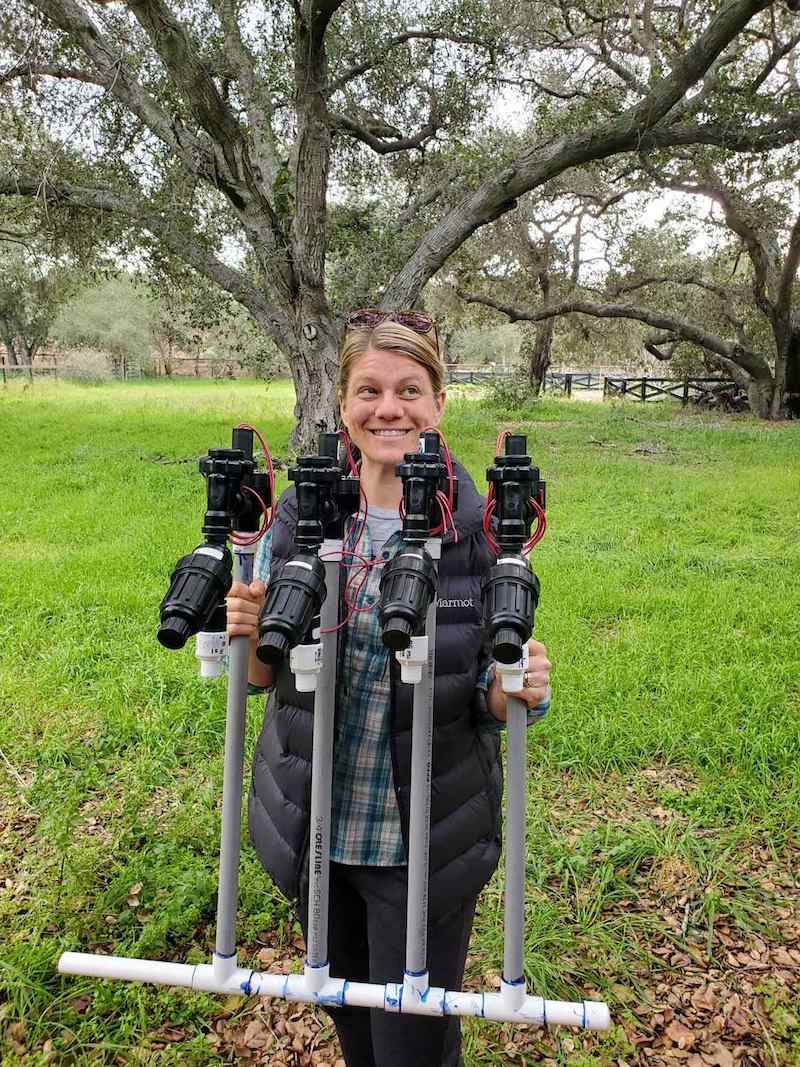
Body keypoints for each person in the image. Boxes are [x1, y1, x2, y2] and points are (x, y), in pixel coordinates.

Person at [225, 311, 552, 1067]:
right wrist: (247, 630)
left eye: (410, 389)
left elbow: (489, 690)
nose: (388, 409)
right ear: (343, 403)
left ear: (439, 402)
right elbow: (266, 680)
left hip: (424, 843)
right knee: (350, 1023)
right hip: (316, 831)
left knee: (414, 1043)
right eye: (367, 390)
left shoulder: (477, 527)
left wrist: (517, 690)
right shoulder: (304, 514)